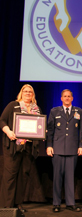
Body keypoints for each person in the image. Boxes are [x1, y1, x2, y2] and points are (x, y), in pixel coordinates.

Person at [0, 84, 42, 213]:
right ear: (21, 93)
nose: (28, 93)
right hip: (13, 146)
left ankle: (18, 204)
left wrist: (42, 132)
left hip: (28, 147)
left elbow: (39, 126)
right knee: (10, 175)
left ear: (33, 94)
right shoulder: (13, 105)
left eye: (30, 92)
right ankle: (6, 206)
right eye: (26, 91)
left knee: (23, 176)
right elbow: (2, 120)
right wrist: (8, 132)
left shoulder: (36, 109)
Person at [46, 89, 82, 212]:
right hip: (57, 148)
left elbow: (81, 131)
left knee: (70, 177)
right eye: (65, 96)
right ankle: (56, 203)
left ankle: (70, 203)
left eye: (69, 96)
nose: (67, 98)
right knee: (57, 177)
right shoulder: (54, 111)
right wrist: (49, 145)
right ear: (61, 98)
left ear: (72, 98)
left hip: (73, 148)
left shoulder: (79, 111)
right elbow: (50, 129)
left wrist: (81, 146)